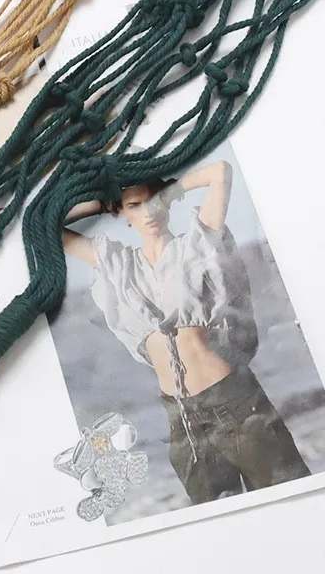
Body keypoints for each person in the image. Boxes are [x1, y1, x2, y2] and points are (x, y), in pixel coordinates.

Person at [62, 159, 310, 504]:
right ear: (124, 214)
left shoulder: (196, 244)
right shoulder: (118, 265)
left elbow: (219, 172)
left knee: (291, 502)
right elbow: (51, 225)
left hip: (234, 403)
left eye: (155, 201)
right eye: (135, 206)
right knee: (219, 523)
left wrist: (171, 190)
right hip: (181, 419)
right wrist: (108, 202)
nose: (149, 211)